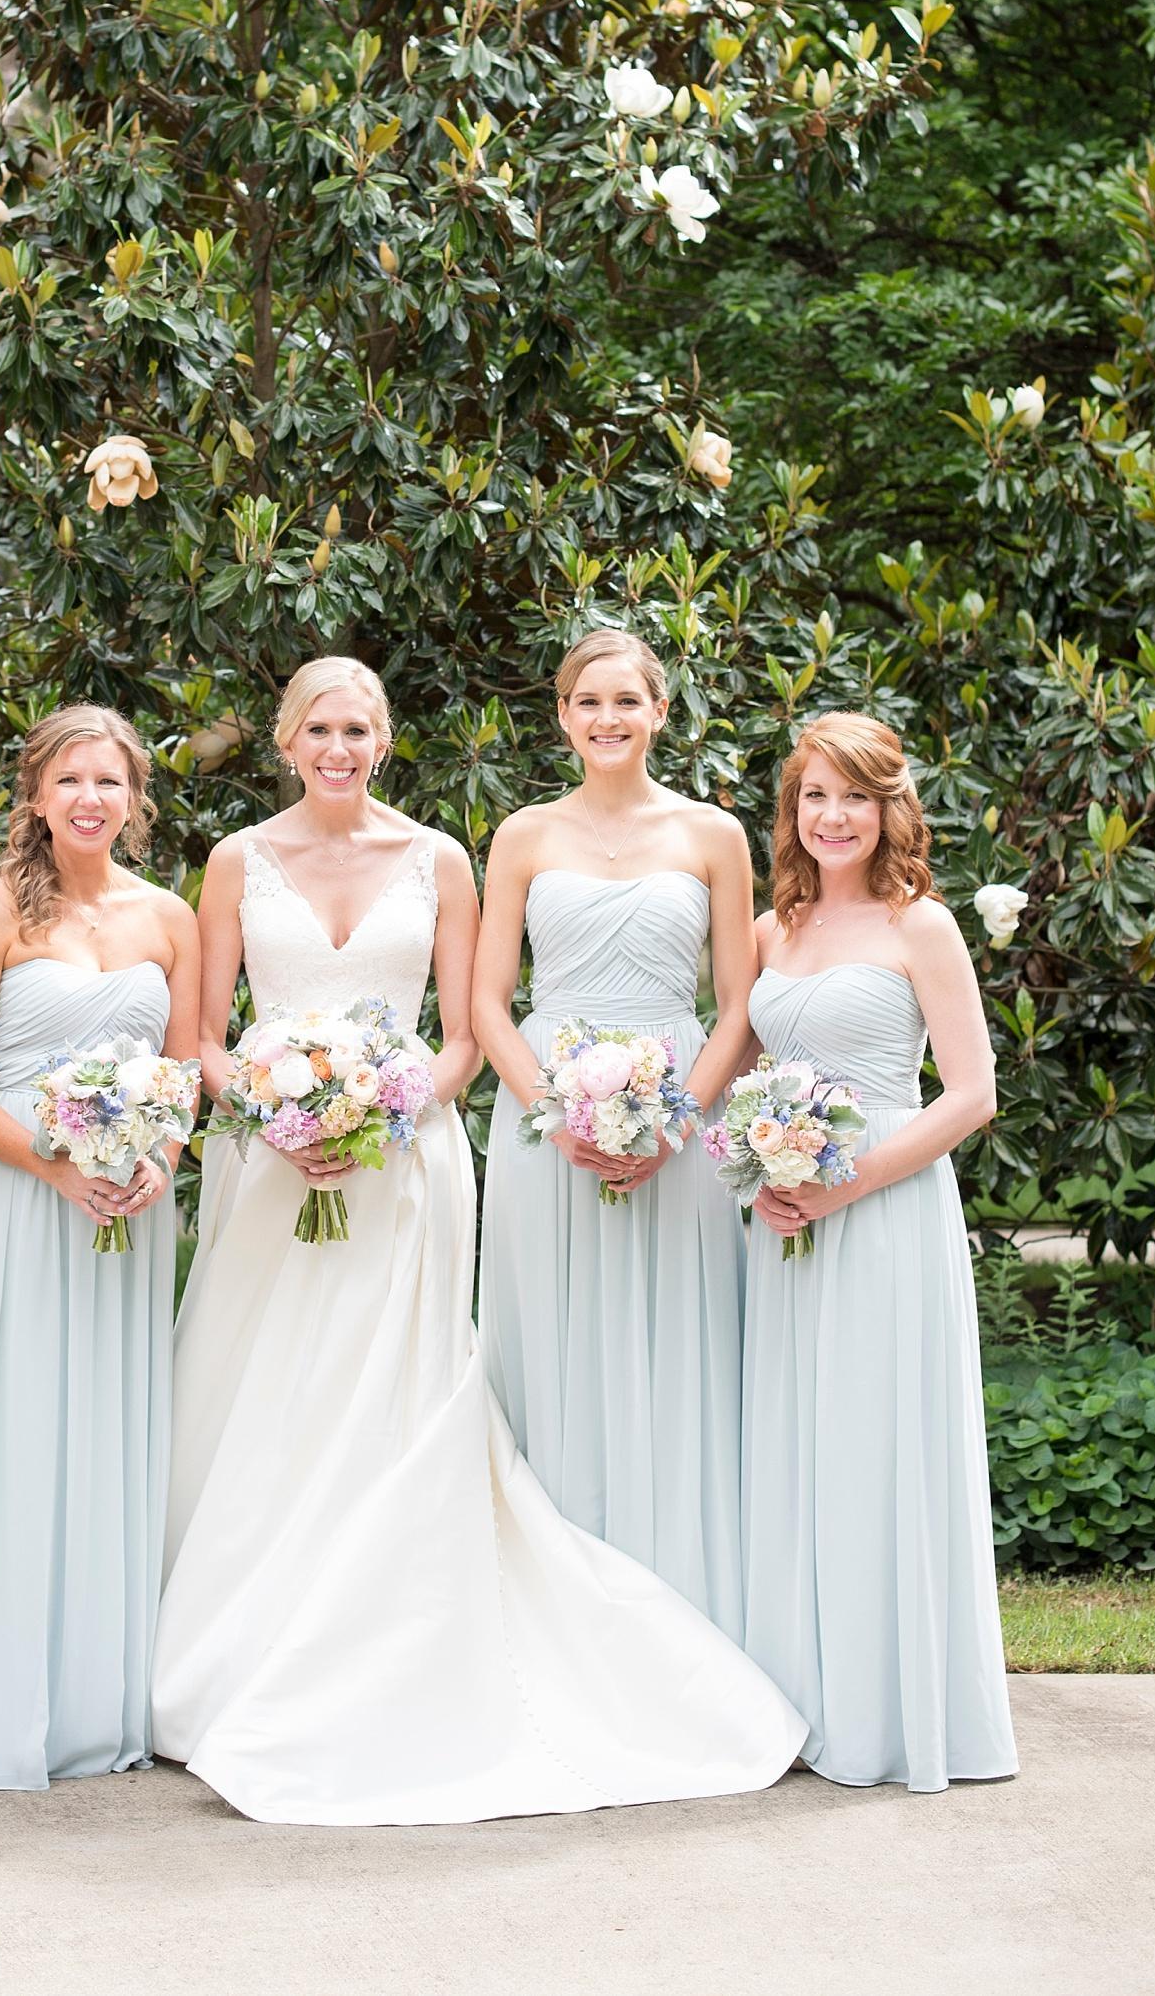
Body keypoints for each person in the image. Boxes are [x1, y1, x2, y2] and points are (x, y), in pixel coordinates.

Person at [151, 654, 804, 1825]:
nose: (338, 746)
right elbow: (205, 1030)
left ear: (385, 737)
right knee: (267, 1388)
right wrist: (276, 1113)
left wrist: (387, 1110)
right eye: (318, 727)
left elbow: (456, 1031)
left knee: (397, 1382)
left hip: (408, 1163)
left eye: (357, 725)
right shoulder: (233, 859)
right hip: (273, 1165)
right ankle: (249, 1626)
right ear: (287, 739)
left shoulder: (442, 854)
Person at [0, 707, 198, 1790]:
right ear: (34, 795)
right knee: (18, 1427)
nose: (90, 798)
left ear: (133, 798)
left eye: (109, 781)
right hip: (19, 1203)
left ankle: (93, 1701)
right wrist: (52, 1161)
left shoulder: (170, 916)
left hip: (127, 1209)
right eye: (69, 779)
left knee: (107, 1434)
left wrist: (158, 1159)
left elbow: (180, 1075)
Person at [740, 712, 1018, 1791]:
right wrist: (762, 1173)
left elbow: (971, 1092)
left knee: (876, 1444)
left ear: (887, 805)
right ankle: (807, 1699)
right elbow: (751, 1080)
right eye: (813, 795)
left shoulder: (922, 926)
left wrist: (842, 1180)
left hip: (886, 1213)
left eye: (853, 794)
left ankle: (893, 1713)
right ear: (792, 810)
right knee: (797, 1447)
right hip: (786, 1227)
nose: (832, 815)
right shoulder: (773, 930)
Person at [475, 627, 755, 1632]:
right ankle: (548, 1607)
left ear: (659, 711)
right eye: (587, 701)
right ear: (560, 715)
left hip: (678, 1109)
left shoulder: (713, 834)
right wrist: (554, 1112)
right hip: (544, 1118)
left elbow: (735, 1004)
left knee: (675, 1340)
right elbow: (486, 1003)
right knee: (548, 1336)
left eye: (625, 701)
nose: (605, 718)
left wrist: (677, 1118)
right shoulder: (522, 834)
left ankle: (678, 1601)